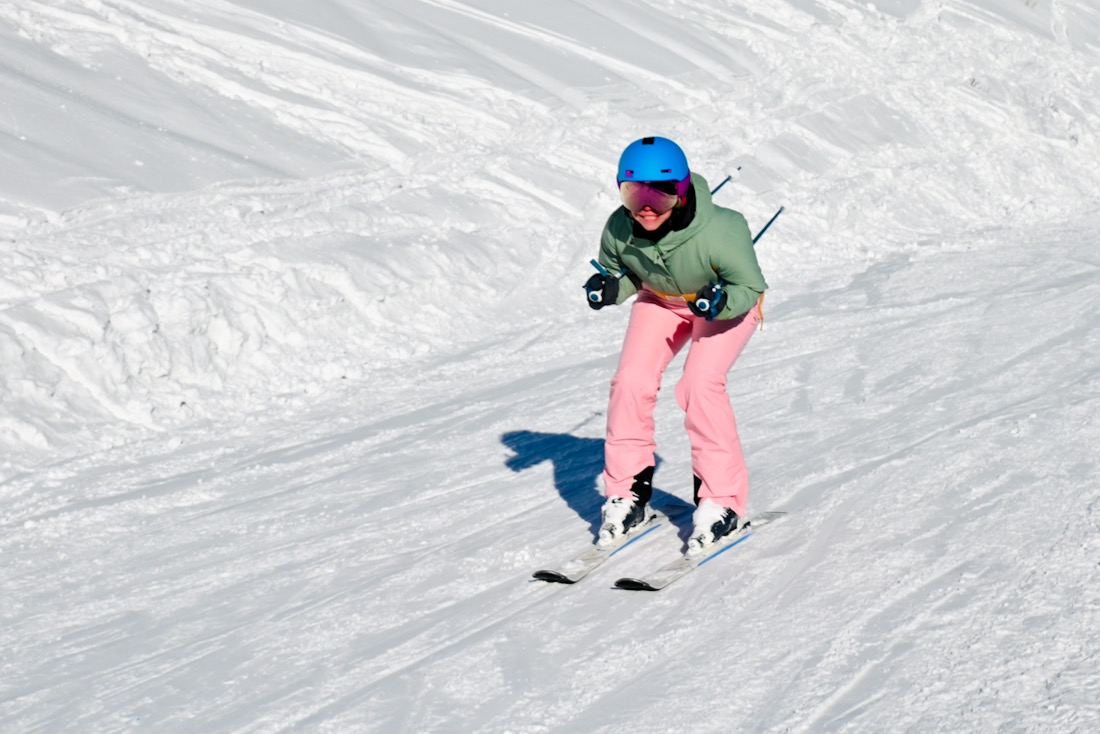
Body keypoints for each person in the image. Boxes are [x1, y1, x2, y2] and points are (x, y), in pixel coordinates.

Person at [584, 136, 768, 555]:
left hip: (723, 304)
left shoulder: (724, 229)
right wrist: (609, 287)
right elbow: (624, 273)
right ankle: (626, 494)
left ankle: (721, 501)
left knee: (699, 385)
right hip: (660, 300)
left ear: (682, 192)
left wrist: (721, 301)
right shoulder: (619, 227)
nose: (646, 207)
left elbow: (749, 286)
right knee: (630, 382)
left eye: (660, 195)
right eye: (634, 194)